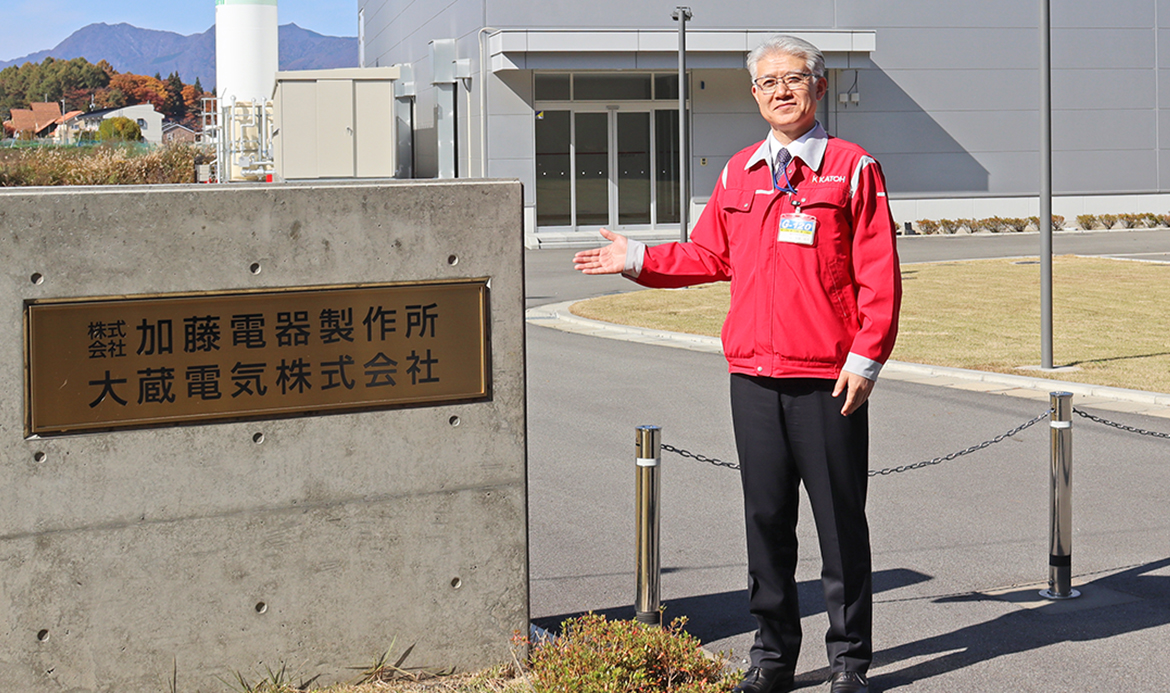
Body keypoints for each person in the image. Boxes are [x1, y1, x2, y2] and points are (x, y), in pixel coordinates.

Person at [573, 35, 901, 693]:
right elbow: (708, 254)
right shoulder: (739, 172)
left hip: (827, 379)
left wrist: (866, 359)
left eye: (794, 78)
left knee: (840, 525)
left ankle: (849, 662)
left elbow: (878, 273)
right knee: (765, 523)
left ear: (820, 86)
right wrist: (637, 257)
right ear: (754, 95)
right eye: (768, 82)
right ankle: (772, 657)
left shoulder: (852, 168)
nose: (781, 91)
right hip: (753, 376)